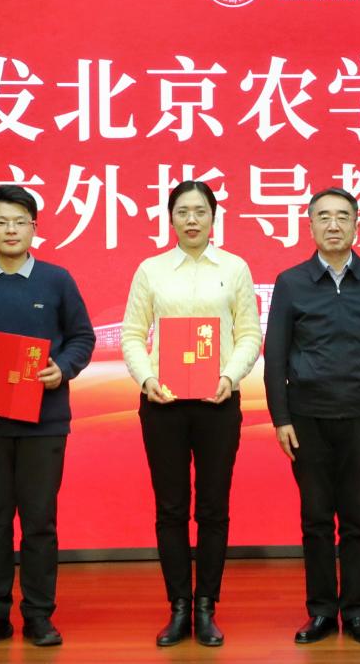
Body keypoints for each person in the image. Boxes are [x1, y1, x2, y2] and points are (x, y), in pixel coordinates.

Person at [0, 184, 97, 649]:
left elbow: (82, 338)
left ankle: (39, 616)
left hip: (44, 424)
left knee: (40, 522)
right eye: (2, 222)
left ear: (34, 228)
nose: (11, 230)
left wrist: (61, 369)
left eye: (20, 222)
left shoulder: (57, 280)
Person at [120, 180, 264, 647]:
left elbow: (249, 333)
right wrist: (146, 379)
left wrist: (230, 375)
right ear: (170, 219)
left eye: (200, 211)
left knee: (213, 507)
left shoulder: (235, 268)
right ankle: (179, 606)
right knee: (171, 508)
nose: (192, 220)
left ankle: (206, 607)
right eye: (182, 211)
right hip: (162, 404)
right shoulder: (151, 270)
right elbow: (133, 334)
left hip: (217, 403)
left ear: (214, 217)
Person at [263, 188, 360, 646]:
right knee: (317, 518)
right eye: (323, 217)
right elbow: (276, 354)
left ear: (357, 224)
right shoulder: (291, 282)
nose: (334, 225)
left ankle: (357, 612)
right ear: (310, 226)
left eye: (343, 216)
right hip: (307, 418)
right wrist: (281, 418)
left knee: (357, 519)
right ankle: (321, 611)